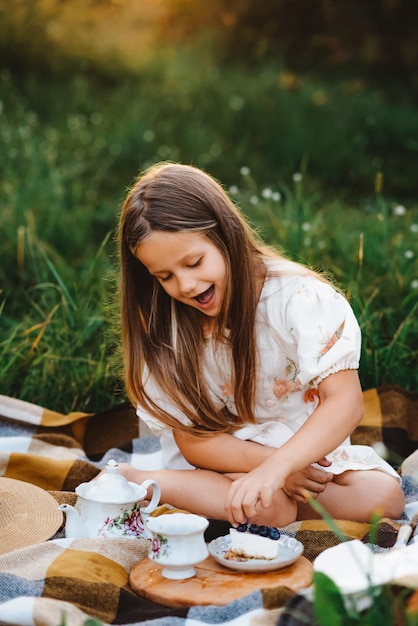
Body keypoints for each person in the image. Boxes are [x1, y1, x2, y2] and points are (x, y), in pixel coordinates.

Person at [115, 162, 404, 528]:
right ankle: (145, 480)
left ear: (225, 234)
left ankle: (263, 499)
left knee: (383, 497)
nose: (186, 285)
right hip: (221, 463)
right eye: (165, 276)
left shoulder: (298, 299)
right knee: (271, 509)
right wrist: (269, 469)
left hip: (303, 456)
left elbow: (345, 403)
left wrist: (282, 467)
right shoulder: (170, 334)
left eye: (194, 262)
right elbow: (196, 443)